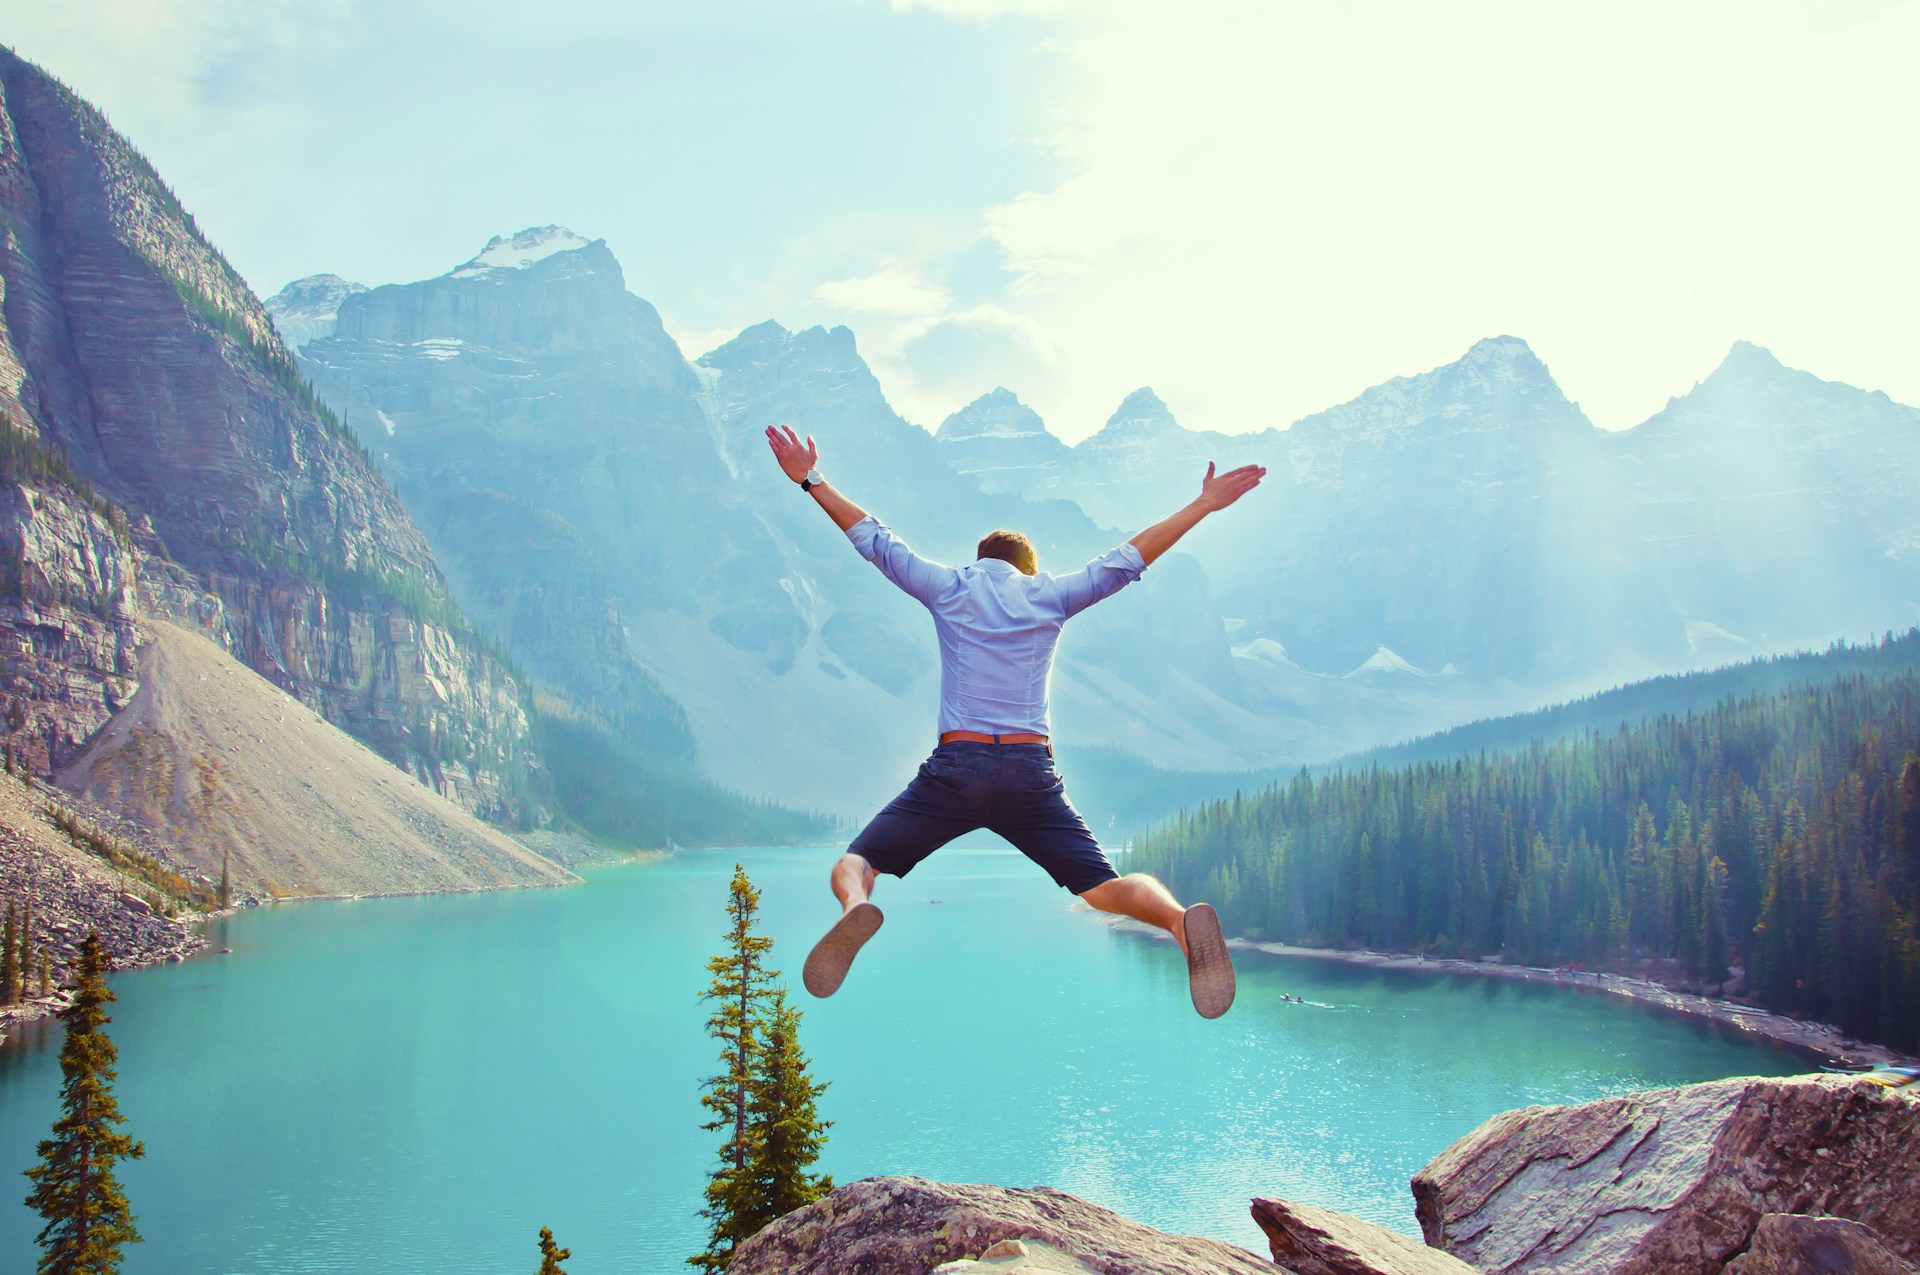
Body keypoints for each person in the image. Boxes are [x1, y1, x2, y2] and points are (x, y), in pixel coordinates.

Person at [766, 424, 1266, 1018]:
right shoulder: (1049, 595)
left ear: (980, 561)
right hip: (1030, 772)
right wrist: (1203, 505)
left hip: (957, 767)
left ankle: (856, 908)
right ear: (1029, 568)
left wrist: (811, 480)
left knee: (856, 863)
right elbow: (1128, 559)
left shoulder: (948, 587)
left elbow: (874, 540)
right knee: (1102, 887)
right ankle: (1180, 922)